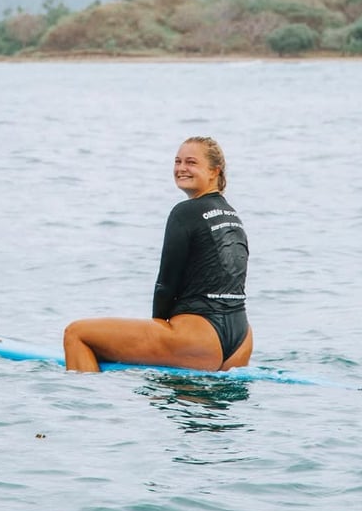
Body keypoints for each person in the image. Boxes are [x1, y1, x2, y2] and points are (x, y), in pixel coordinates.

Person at [63, 136, 253, 372]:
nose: (181, 168)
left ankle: (82, 405)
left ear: (215, 171)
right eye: (177, 161)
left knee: (76, 334)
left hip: (199, 339)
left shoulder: (185, 212)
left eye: (191, 162)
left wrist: (158, 335)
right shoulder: (232, 215)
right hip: (241, 340)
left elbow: (166, 284)